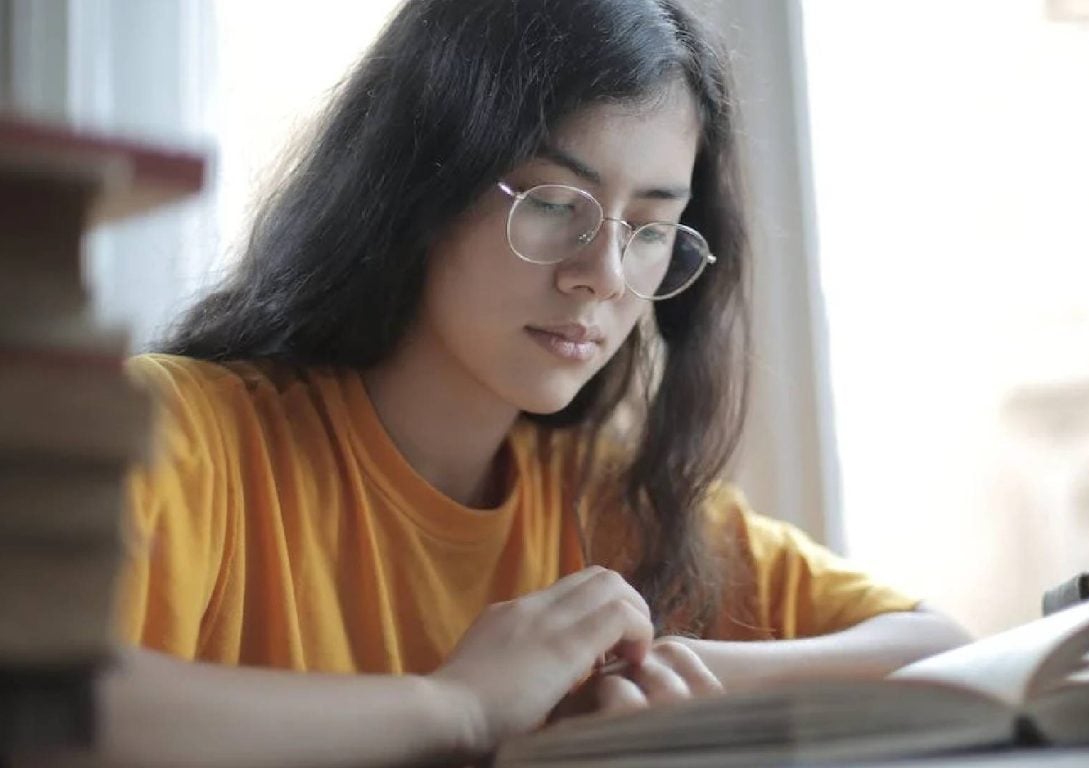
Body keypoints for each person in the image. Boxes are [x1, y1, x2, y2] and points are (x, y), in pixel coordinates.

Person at [69, 1, 969, 766]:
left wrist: (675, 672)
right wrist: (453, 707)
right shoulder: (179, 433)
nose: (604, 274)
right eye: (553, 204)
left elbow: (942, 651)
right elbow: (46, 703)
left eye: (650, 228)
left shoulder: (619, 504)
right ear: (418, 185)